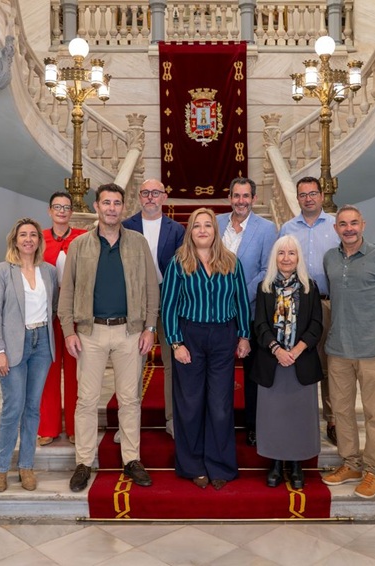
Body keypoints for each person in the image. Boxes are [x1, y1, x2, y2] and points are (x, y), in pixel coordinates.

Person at [58, 183, 160, 492]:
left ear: (123, 207)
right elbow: (68, 291)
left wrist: (150, 327)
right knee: (86, 400)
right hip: (91, 332)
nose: (112, 208)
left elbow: (151, 289)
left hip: (130, 332)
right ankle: (84, 462)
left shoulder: (138, 244)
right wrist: (68, 331)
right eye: (106, 202)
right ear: (97, 206)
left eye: (117, 203)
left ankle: (132, 459)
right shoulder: (79, 246)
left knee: (130, 399)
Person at [161, 208, 251, 490]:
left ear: (215, 231)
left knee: (221, 405)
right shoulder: (179, 263)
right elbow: (168, 307)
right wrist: (176, 343)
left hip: (224, 337)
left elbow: (241, 302)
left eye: (208, 225)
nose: (202, 230)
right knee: (189, 404)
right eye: (197, 225)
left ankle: (220, 464)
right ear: (190, 231)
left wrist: (244, 336)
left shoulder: (231, 262)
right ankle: (193, 466)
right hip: (190, 336)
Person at [321, 205, 375, 499]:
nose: (349, 228)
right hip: (339, 349)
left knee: (373, 415)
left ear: (363, 225)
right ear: (336, 228)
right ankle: (351, 464)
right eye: (343, 224)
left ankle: (373, 471)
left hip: (372, 350)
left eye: (354, 223)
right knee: (341, 412)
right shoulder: (330, 258)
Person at [0, 218, 57, 493]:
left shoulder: (48, 271)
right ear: (14, 240)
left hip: (41, 344)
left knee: (32, 408)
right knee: (13, 407)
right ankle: (1, 468)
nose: (28, 239)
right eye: (23, 235)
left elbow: (51, 307)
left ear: (39, 240)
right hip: (14, 345)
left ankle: (26, 466)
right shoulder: (2, 271)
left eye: (33, 235)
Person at [252, 235, 323, 489]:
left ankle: (295, 466)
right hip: (272, 363)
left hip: (300, 362)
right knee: (274, 418)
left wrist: (297, 349)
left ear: (298, 258)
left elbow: (316, 324)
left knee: (298, 418)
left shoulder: (309, 287)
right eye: (281, 253)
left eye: (291, 253)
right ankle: (274, 464)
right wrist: (277, 350)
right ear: (275, 257)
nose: (286, 258)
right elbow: (259, 324)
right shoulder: (265, 287)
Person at [216, 177, 277, 447]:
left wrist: (239, 296)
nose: (241, 201)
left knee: (253, 373)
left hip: (251, 311)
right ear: (229, 198)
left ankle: (253, 425)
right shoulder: (214, 223)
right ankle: (220, 423)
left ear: (253, 198)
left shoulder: (266, 229)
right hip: (215, 312)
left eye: (246, 196)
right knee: (219, 373)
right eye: (236, 196)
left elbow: (267, 270)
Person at [278, 176, 339, 445]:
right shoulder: (288, 228)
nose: (308, 199)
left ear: (321, 194)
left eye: (313, 193)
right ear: (297, 198)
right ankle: (298, 416)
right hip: (295, 305)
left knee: (329, 364)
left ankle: (333, 418)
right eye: (303, 195)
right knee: (296, 360)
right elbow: (280, 263)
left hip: (328, 303)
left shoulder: (335, 226)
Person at [122, 179, 185, 437]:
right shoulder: (127, 226)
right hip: (136, 301)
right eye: (146, 193)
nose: (150, 197)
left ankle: (172, 419)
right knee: (132, 363)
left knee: (171, 363)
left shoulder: (177, 229)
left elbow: (182, 266)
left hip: (168, 299)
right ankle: (129, 422)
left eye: (155, 193)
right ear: (139, 197)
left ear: (164, 197)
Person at [37, 192, 87, 446]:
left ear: (71, 212)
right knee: (49, 369)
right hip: (46, 313)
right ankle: (48, 426)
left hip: (75, 313)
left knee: (76, 370)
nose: (62, 211)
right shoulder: (39, 239)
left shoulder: (82, 238)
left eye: (66, 207)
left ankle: (76, 426)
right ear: (49, 211)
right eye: (57, 207)